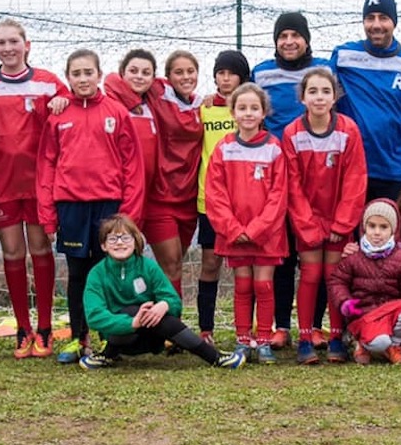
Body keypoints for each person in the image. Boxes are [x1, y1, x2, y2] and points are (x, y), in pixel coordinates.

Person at [0, 19, 69, 359]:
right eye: (1, 42)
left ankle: (44, 327)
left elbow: (69, 104)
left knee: (41, 250)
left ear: (27, 45)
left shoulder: (49, 83)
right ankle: (22, 328)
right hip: (1, 184)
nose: (8, 48)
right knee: (13, 253)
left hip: (40, 184)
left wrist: (62, 101)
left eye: (14, 41)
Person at [36, 49, 144, 364]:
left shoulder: (117, 112)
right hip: (70, 206)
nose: (83, 79)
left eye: (88, 73)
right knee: (78, 274)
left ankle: (109, 339)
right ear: (68, 77)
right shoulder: (58, 114)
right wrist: (48, 217)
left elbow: (132, 166)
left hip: (108, 208)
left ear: (99, 75)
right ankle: (76, 338)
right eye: (76, 74)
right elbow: (46, 165)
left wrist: (128, 216)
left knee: (108, 272)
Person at [252, 12, 330, 349]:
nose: (288, 42)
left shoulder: (326, 69)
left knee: (321, 256)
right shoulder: (261, 72)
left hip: (318, 171)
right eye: (282, 36)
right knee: (281, 254)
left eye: (295, 35)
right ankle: (281, 325)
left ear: (306, 39)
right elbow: (241, 100)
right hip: (274, 172)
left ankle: (314, 326)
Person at [78, 214, 246, 370]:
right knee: (131, 311)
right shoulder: (97, 274)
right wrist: (131, 322)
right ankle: (108, 354)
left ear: (135, 241)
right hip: (121, 338)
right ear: (103, 245)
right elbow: (94, 316)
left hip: (153, 336)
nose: (120, 243)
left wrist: (163, 305)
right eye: (113, 238)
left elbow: (173, 300)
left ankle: (215, 357)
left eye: (125, 237)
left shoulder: (148, 266)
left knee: (157, 313)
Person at [282, 68, 367, 364]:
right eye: (313, 91)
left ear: (335, 97)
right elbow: (291, 185)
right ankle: (305, 338)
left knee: (334, 278)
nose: (319, 97)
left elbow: (356, 180)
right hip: (307, 222)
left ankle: (336, 337)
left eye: (325, 91)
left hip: (338, 221)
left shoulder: (348, 130)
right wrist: (307, 225)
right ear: (303, 98)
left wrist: (342, 223)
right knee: (310, 274)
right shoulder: (292, 132)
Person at [107, 50, 203, 299]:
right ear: (167, 78)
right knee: (170, 262)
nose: (185, 76)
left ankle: (159, 314)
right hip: (159, 197)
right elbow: (111, 81)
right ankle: (172, 323)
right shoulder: (155, 97)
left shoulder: (201, 106)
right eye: (178, 72)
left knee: (173, 265)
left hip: (189, 197)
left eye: (190, 71)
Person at [205, 83, 288, 364]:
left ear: (264, 112)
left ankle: (263, 340)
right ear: (233, 112)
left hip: (266, 235)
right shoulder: (224, 148)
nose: (248, 113)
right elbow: (214, 193)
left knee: (263, 286)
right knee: (242, 286)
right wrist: (233, 229)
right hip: (235, 234)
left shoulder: (274, 149)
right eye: (242, 108)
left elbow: (279, 195)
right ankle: (243, 339)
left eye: (254, 108)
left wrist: (256, 229)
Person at [331, 0, 401, 202]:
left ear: (394, 21)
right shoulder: (344, 57)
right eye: (370, 18)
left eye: (383, 18)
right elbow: (326, 103)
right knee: (349, 234)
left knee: (388, 235)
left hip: (394, 170)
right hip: (350, 167)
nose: (376, 25)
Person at [327, 199, 401, 365]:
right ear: (364, 228)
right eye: (372, 226)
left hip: (390, 312)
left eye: (383, 227)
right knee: (380, 342)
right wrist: (345, 302)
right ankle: (364, 344)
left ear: (393, 229)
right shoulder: (353, 256)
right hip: (364, 315)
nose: (377, 232)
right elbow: (337, 281)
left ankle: (393, 346)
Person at [195, 50, 247, 345]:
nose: (225, 78)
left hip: (244, 202)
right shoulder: (204, 108)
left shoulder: (249, 109)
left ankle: (249, 329)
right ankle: (206, 330)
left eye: (231, 73)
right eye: (220, 72)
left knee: (247, 266)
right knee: (210, 264)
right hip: (209, 201)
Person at [102, 49, 159, 200]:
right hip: (119, 191)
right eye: (133, 71)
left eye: (146, 73)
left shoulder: (153, 106)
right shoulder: (110, 104)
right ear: (122, 73)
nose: (139, 77)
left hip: (148, 192)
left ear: (153, 78)